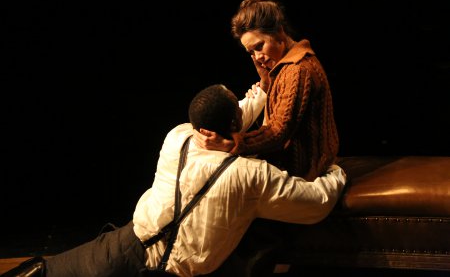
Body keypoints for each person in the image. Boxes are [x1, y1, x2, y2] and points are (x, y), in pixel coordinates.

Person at [2, 84, 346, 277]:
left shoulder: (178, 136)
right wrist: (335, 171)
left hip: (125, 244)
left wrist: (254, 99)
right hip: (163, 271)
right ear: (231, 125)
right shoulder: (249, 176)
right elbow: (315, 204)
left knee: (45, 272)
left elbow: (221, 119)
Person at [194, 0, 339, 181]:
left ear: (279, 31)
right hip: (291, 162)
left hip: (304, 169)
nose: (257, 56)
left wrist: (231, 143)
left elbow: (278, 131)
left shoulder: (298, 69)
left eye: (259, 46)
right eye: (251, 52)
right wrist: (266, 83)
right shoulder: (286, 66)